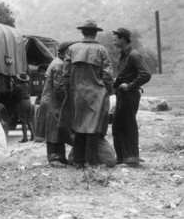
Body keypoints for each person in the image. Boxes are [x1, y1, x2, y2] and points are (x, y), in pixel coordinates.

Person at [59, 20, 113, 169]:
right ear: (96, 33)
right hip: (96, 94)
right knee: (93, 128)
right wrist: (107, 90)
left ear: (82, 32)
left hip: (77, 94)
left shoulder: (72, 49)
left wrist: (69, 90)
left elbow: (66, 73)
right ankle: (91, 162)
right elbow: (107, 75)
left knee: (78, 126)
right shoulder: (101, 50)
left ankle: (78, 162)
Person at [112, 28, 151, 166]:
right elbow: (124, 75)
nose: (114, 40)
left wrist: (130, 85)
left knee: (128, 125)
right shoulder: (123, 55)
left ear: (123, 38)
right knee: (117, 126)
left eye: (116, 38)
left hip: (130, 94)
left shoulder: (134, 55)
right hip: (122, 94)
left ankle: (132, 159)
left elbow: (146, 74)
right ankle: (122, 158)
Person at [36, 41, 75, 167]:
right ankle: (53, 158)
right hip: (53, 102)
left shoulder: (59, 62)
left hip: (53, 101)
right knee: (54, 129)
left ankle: (61, 156)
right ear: (65, 52)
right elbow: (60, 89)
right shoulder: (59, 65)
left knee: (59, 129)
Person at [13, 73, 35, 143]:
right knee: (29, 120)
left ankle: (25, 138)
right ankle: (33, 136)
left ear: (19, 79)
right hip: (29, 101)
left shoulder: (18, 87)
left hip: (22, 102)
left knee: (23, 121)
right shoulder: (27, 85)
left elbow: (13, 94)